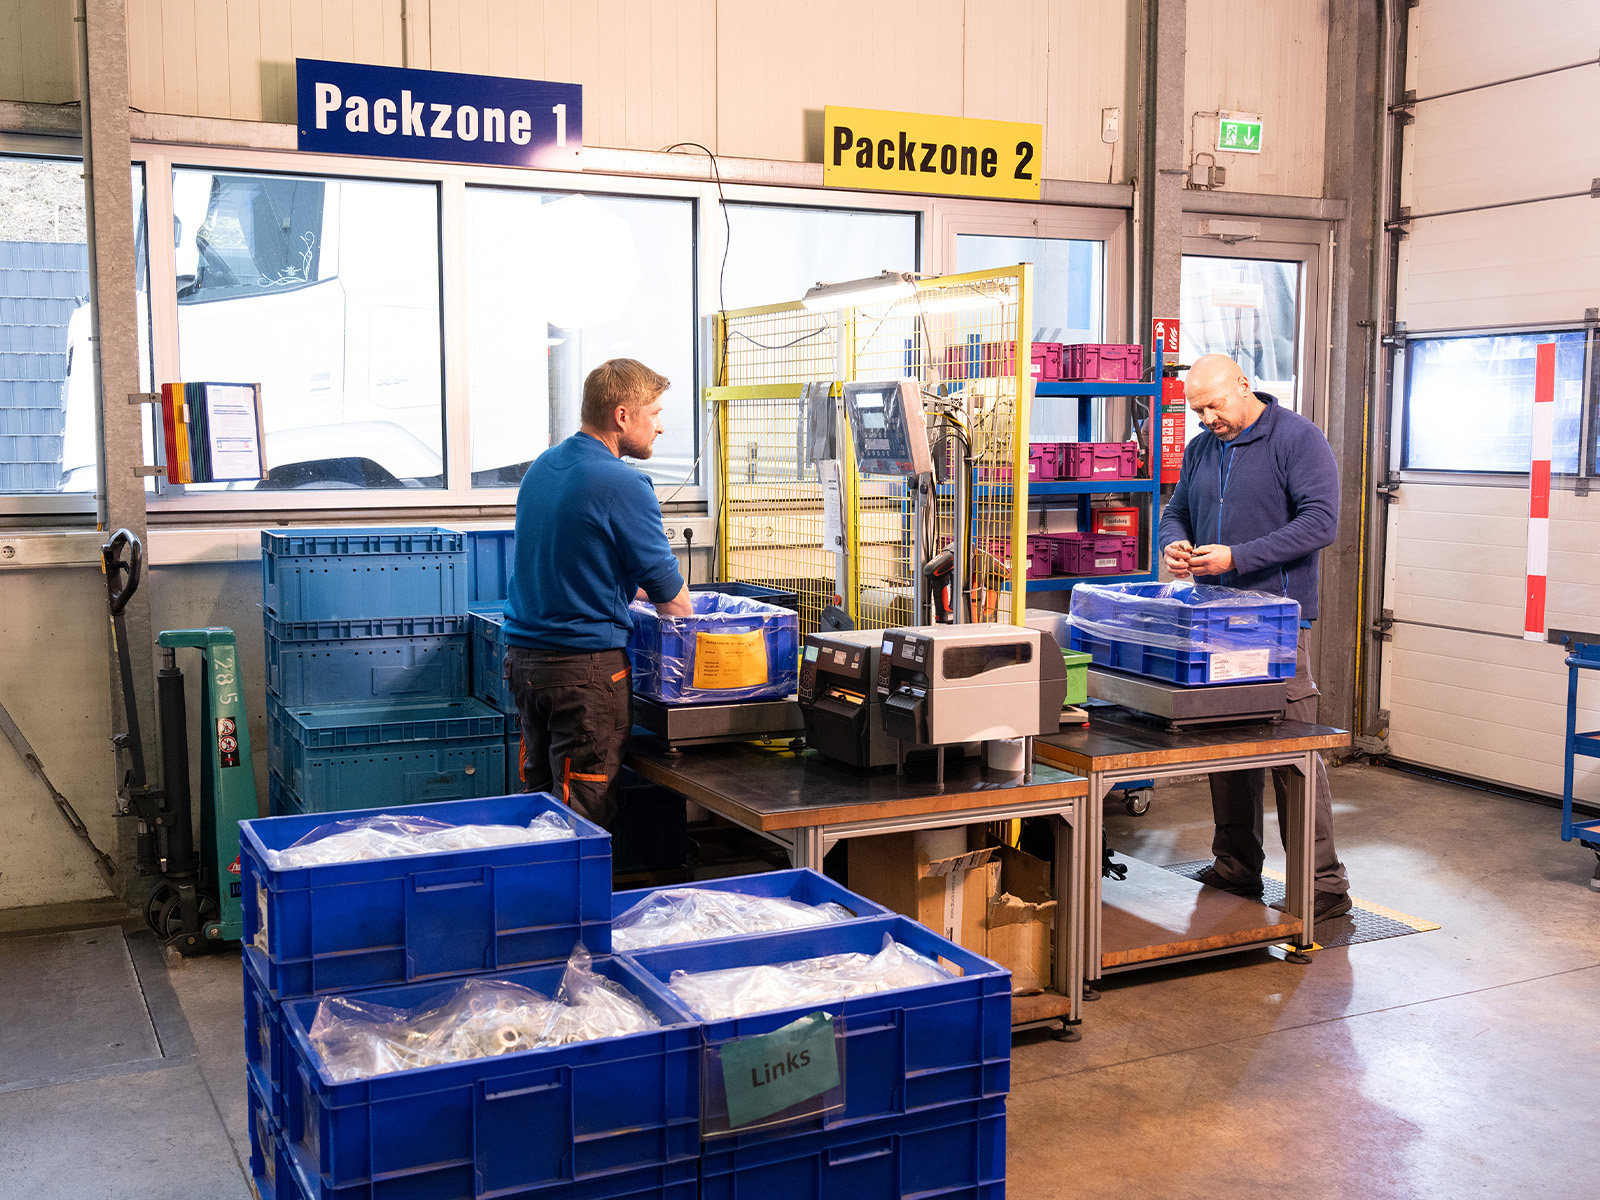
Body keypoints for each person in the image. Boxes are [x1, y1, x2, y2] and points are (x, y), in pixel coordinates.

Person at [1158, 353, 1352, 920]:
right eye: (1198, 410)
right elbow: (1176, 510)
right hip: (1215, 619)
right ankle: (1236, 866)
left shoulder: (1297, 439)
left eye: (1214, 406)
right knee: (1227, 745)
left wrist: (1237, 558)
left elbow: (1321, 522)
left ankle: (1323, 885)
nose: (1207, 419)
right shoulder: (1202, 448)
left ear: (1244, 386)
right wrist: (1174, 542)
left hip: (1277, 624)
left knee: (1293, 752)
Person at [502, 359, 692, 829]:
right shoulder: (624, 483)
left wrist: (631, 591)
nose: (660, 427)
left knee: (539, 805)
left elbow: (577, 566)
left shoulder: (543, 467)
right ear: (622, 416)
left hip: (525, 664)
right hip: (582, 674)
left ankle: (539, 880)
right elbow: (674, 602)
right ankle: (577, 881)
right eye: (655, 413)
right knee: (580, 816)